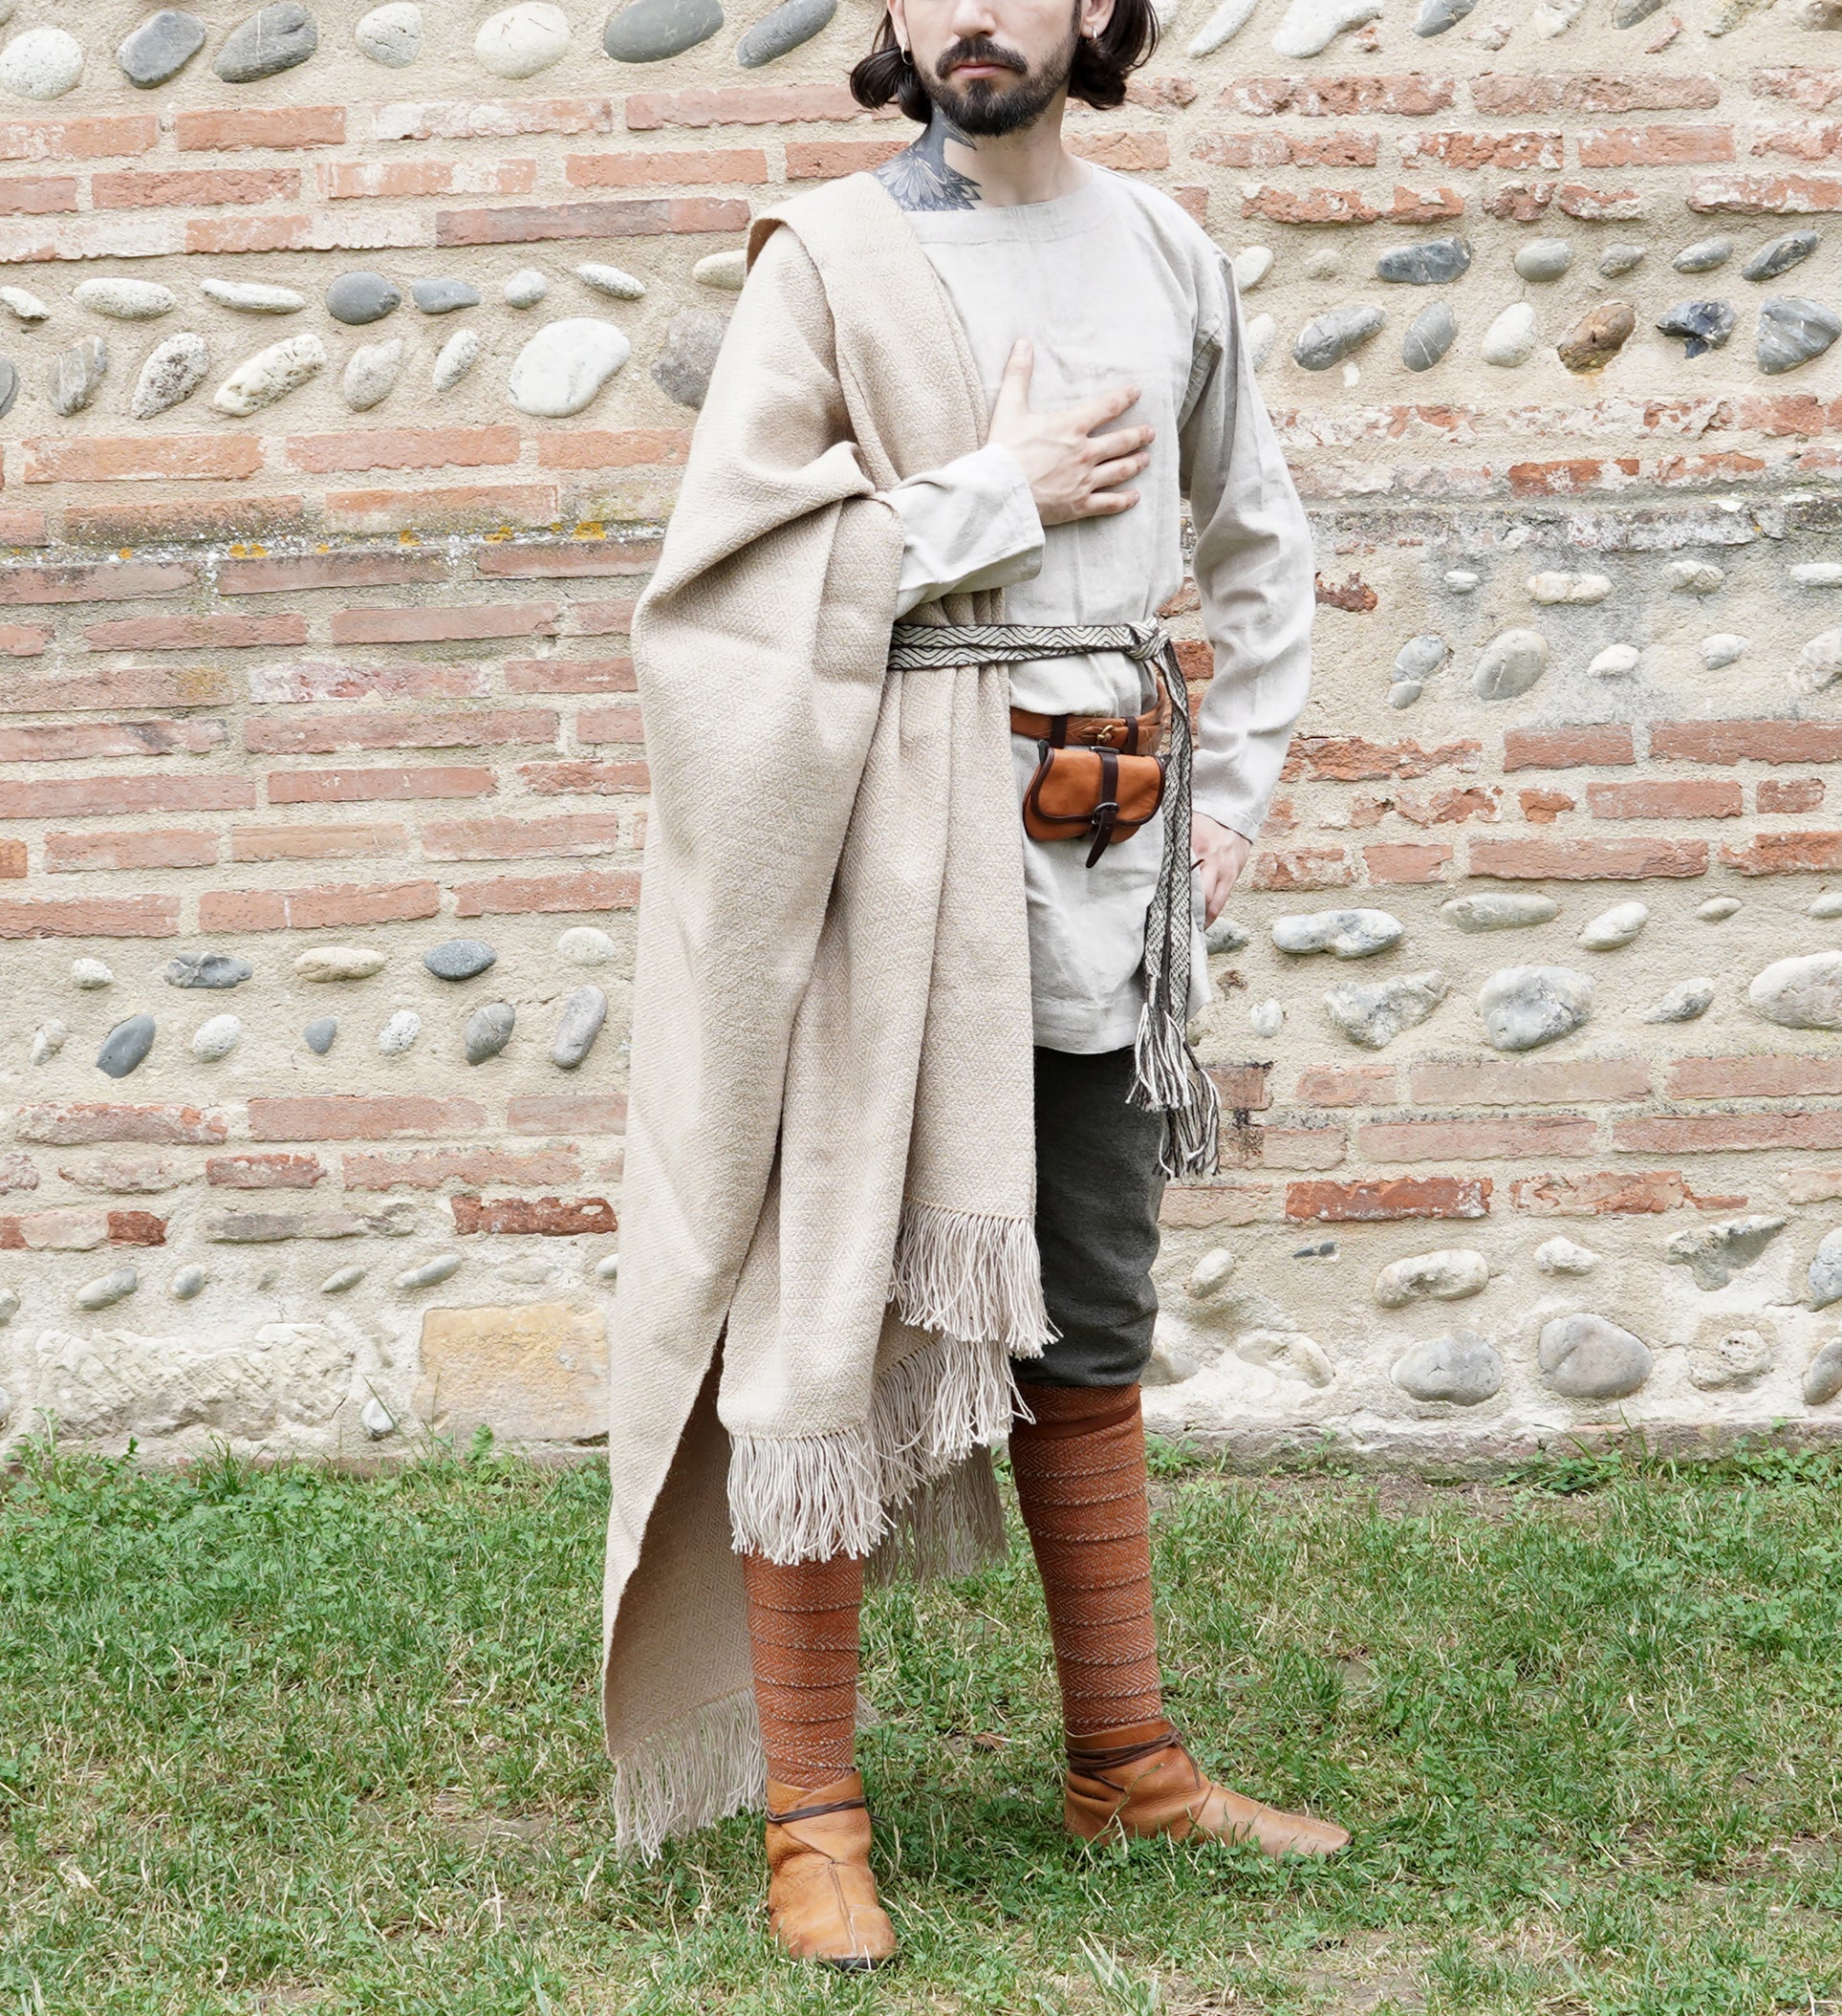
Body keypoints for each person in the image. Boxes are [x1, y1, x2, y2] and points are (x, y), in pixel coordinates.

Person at [598, 0, 1344, 1970]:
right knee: (822, 1311)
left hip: (1103, 863)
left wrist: (1232, 815)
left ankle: (1126, 1754)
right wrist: (997, 483)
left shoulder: (1166, 252)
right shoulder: (827, 263)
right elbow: (726, 584)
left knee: (1089, 1309)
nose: (973, 15)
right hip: (880, 871)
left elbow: (1261, 557)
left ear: (1098, 9)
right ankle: (814, 1813)